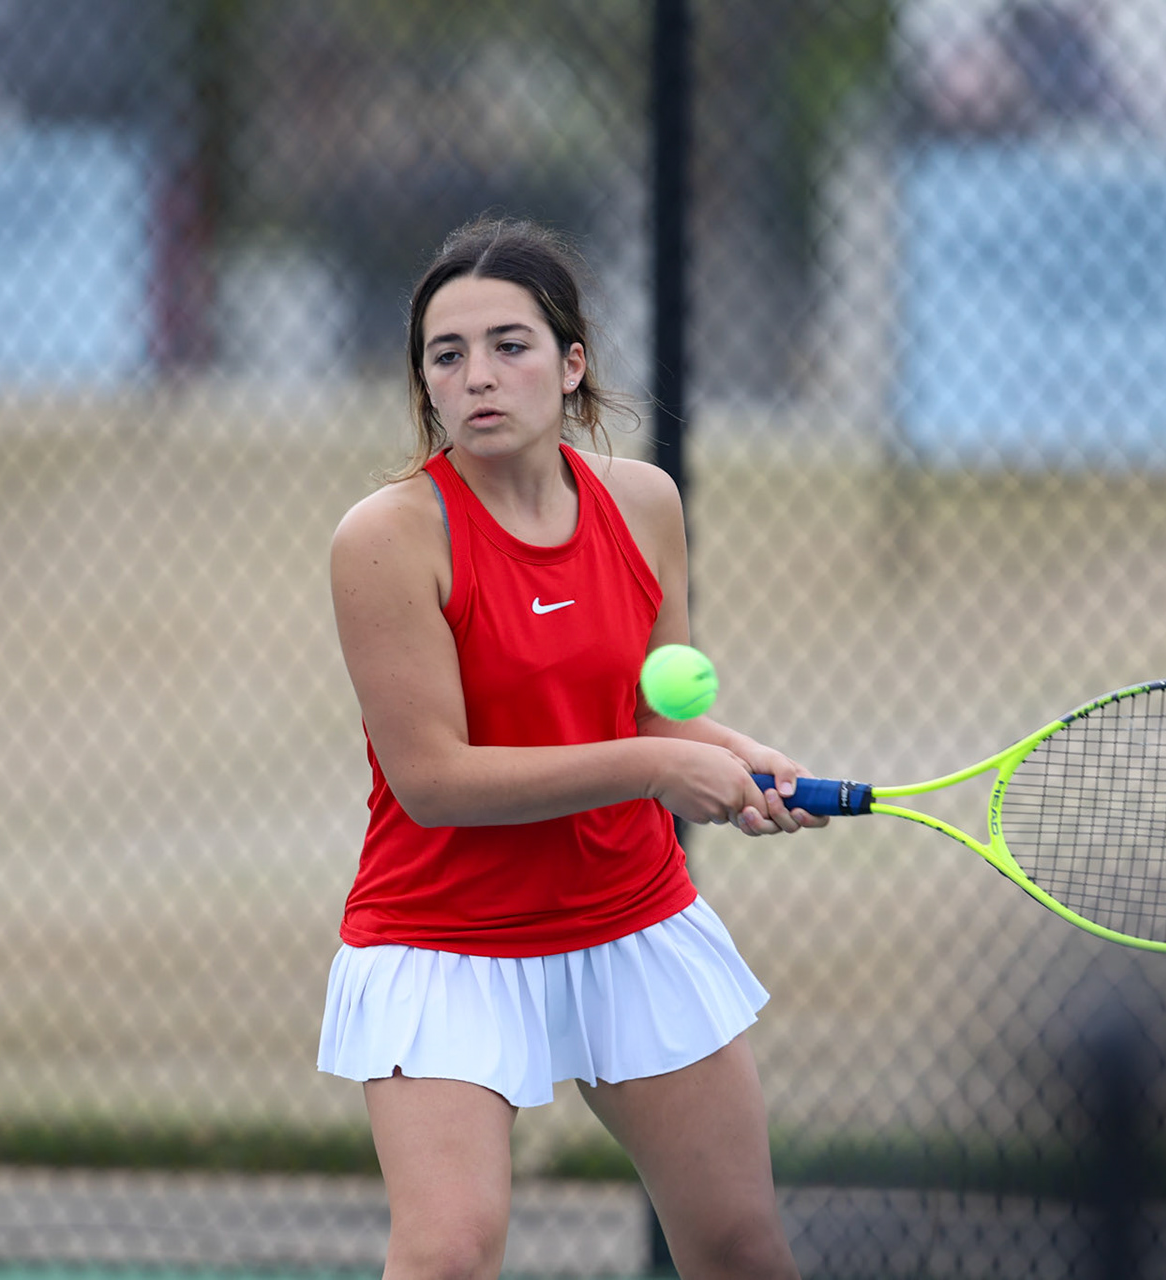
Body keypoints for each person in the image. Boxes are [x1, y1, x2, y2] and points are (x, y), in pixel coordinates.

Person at [319, 216, 822, 1280]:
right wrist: (655, 770)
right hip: (442, 935)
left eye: (511, 344)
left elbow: (653, 712)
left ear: (572, 364)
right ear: (424, 385)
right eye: (446, 355)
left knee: (742, 1247)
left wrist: (738, 758)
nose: (479, 376)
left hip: (629, 917)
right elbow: (435, 779)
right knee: (449, 1251)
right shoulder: (387, 537)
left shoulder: (644, 505)